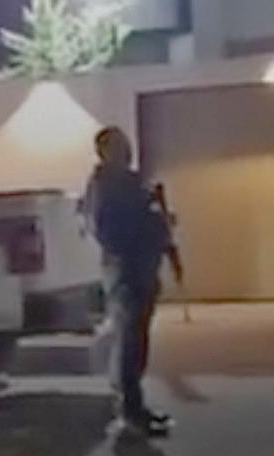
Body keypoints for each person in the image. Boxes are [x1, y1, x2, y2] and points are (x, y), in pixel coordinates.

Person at [81, 127, 181, 438]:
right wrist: (143, 225)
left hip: (145, 268)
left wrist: (165, 239)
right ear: (105, 152)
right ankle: (129, 410)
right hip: (126, 271)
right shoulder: (104, 186)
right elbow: (106, 231)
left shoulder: (133, 181)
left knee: (138, 342)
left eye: (126, 145)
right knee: (129, 342)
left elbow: (156, 219)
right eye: (119, 146)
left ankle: (135, 406)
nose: (127, 151)